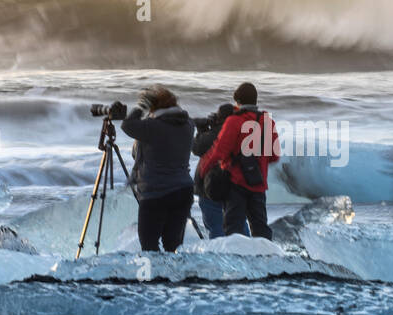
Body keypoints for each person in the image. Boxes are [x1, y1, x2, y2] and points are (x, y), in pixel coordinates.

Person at [114, 85, 195, 252]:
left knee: (149, 245)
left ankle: (155, 277)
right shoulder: (188, 124)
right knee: (172, 245)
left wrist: (140, 106)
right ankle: (174, 275)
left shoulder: (153, 128)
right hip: (183, 191)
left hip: (156, 193)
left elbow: (127, 125)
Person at [198, 81, 281, 239]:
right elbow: (275, 155)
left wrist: (204, 168)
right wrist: (259, 162)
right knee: (260, 227)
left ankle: (237, 260)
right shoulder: (268, 121)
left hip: (236, 184)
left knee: (234, 228)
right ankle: (266, 258)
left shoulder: (234, 121)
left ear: (237, 101)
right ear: (255, 100)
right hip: (258, 183)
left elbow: (219, 151)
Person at [192, 103, 248, 239]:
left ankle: (219, 252)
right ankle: (247, 247)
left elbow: (197, 148)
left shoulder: (215, 134)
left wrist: (202, 130)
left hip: (210, 185)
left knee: (215, 225)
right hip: (236, 184)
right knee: (239, 221)